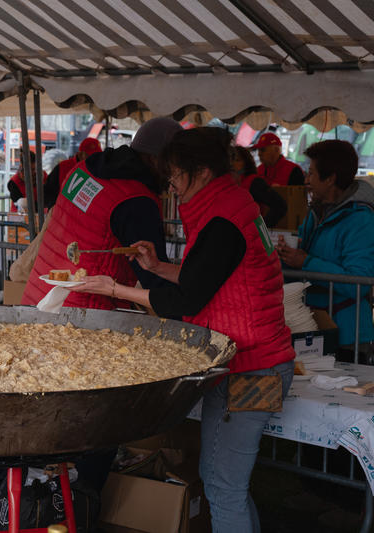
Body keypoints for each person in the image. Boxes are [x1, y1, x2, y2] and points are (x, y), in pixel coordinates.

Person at [71, 127, 295, 532]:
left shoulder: (223, 219)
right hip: (251, 358)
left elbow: (186, 300)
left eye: (175, 175)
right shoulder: (228, 206)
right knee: (229, 485)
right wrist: (156, 268)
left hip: (252, 365)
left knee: (224, 486)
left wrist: (116, 288)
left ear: (202, 171)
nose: (170, 185)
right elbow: (204, 277)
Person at [21, 117, 183, 308]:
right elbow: (156, 280)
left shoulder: (82, 169)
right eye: (175, 165)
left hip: (40, 295)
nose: (175, 174)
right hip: (82, 313)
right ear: (154, 159)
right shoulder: (137, 201)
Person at [277, 140, 374, 364]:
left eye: (311, 173)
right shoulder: (316, 213)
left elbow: (359, 282)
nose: (307, 180)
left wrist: (306, 262)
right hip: (314, 328)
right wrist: (284, 255)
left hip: (347, 336)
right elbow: (302, 259)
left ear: (330, 179)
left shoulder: (361, 220)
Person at [231, 145, 287, 228]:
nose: (232, 164)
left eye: (237, 160)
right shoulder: (229, 184)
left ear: (246, 163)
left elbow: (279, 205)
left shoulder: (254, 182)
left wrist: (261, 228)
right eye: (230, 160)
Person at [42, 137, 102, 208]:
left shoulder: (99, 170)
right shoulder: (63, 167)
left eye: (98, 156)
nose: (95, 159)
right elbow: (48, 194)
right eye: (90, 156)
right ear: (80, 154)